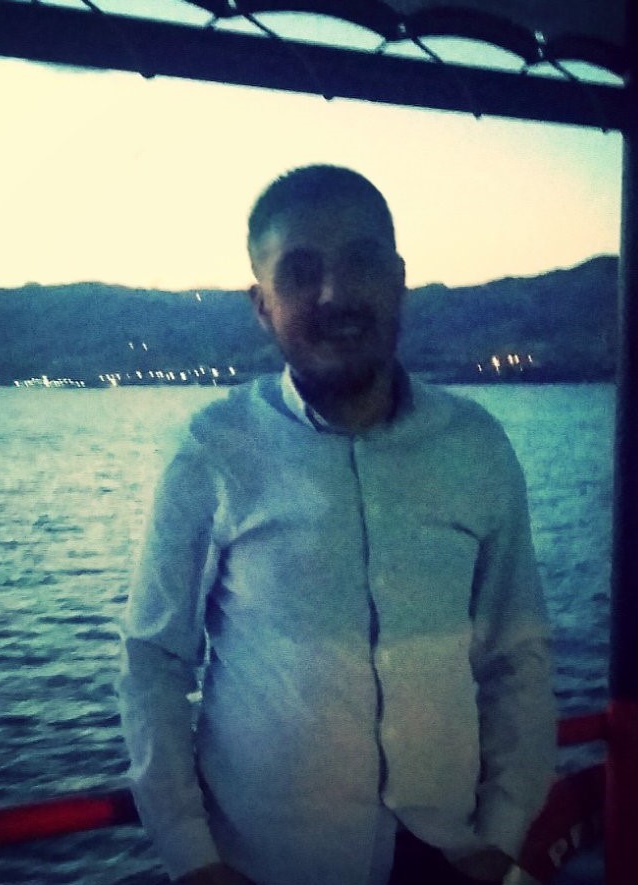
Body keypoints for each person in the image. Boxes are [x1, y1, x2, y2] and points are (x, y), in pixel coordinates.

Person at [118, 165, 556, 885]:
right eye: (299, 272)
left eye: (361, 262)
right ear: (262, 305)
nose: (334, 293)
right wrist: (192, 859)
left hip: (451, 858)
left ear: (399, 280)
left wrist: (503, 831)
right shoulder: (214, 449)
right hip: (267, 866)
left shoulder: (475, 445)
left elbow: (518, 653)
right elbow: (154, 659)